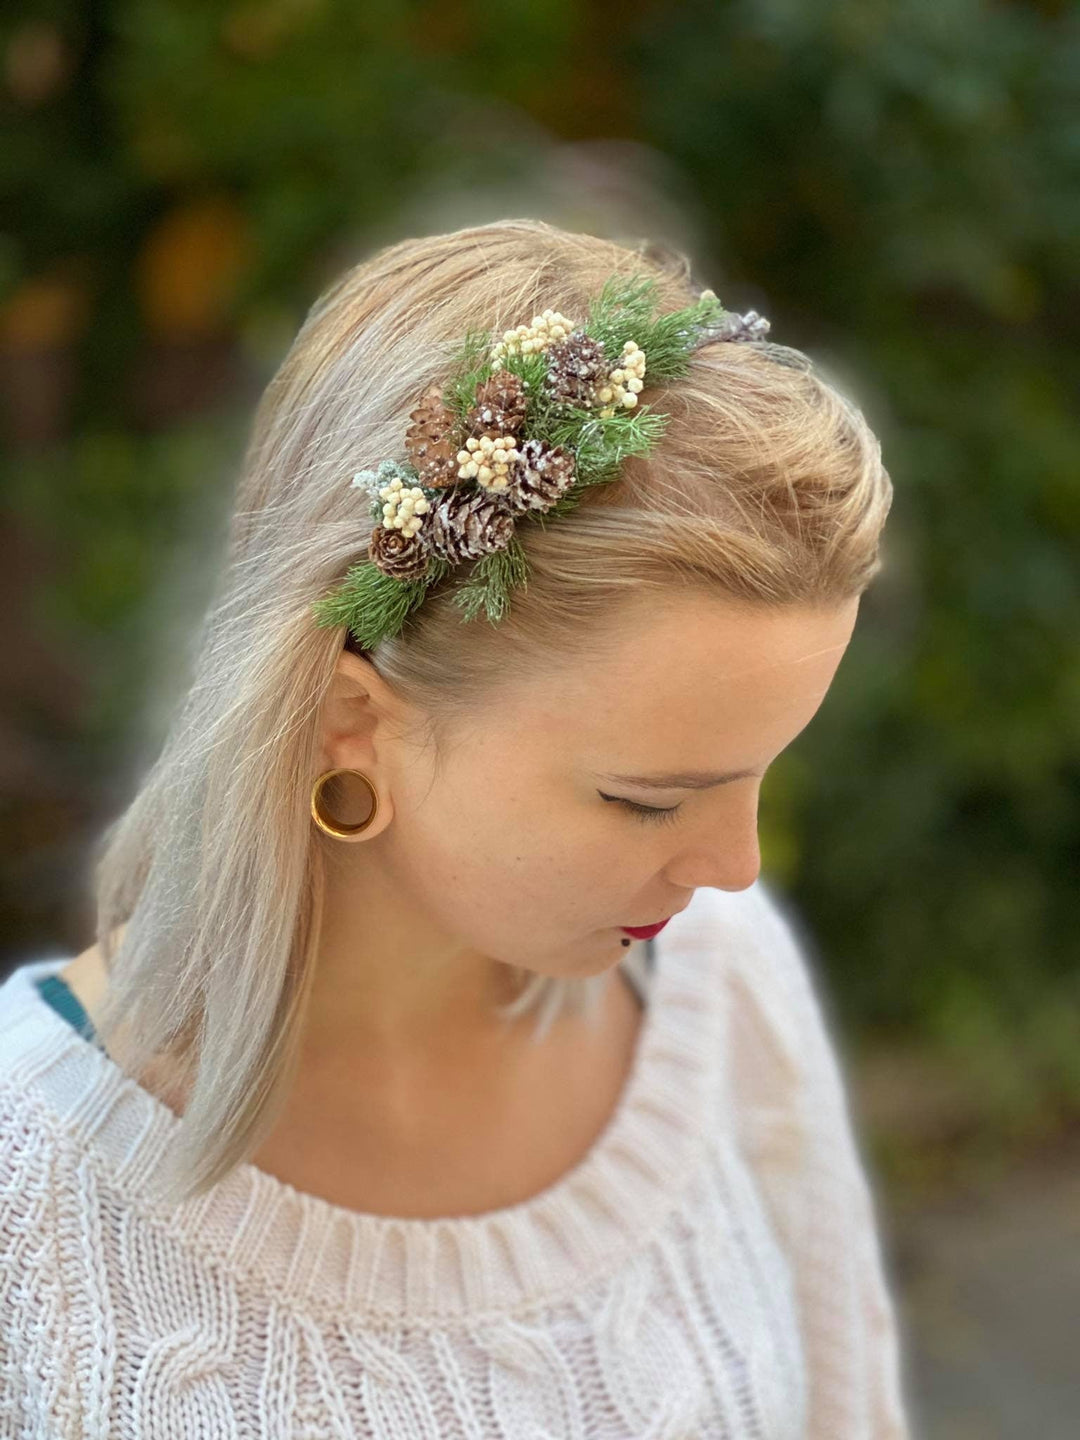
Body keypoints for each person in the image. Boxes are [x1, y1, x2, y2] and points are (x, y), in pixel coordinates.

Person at [0, 219, 912, 1437]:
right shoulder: (32, 1196)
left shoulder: (719, 993)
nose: (735, 868)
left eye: (762, 776)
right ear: (346, 720)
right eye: (646, 798)